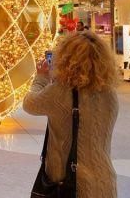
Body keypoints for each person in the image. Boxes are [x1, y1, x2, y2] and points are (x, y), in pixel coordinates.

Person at [23, 31, 119, 198]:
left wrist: (41, 79)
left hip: (72, 186)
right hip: (105, 182)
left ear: (65, 58)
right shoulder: (109, 93)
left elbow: (29, 103)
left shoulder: (60, 91)